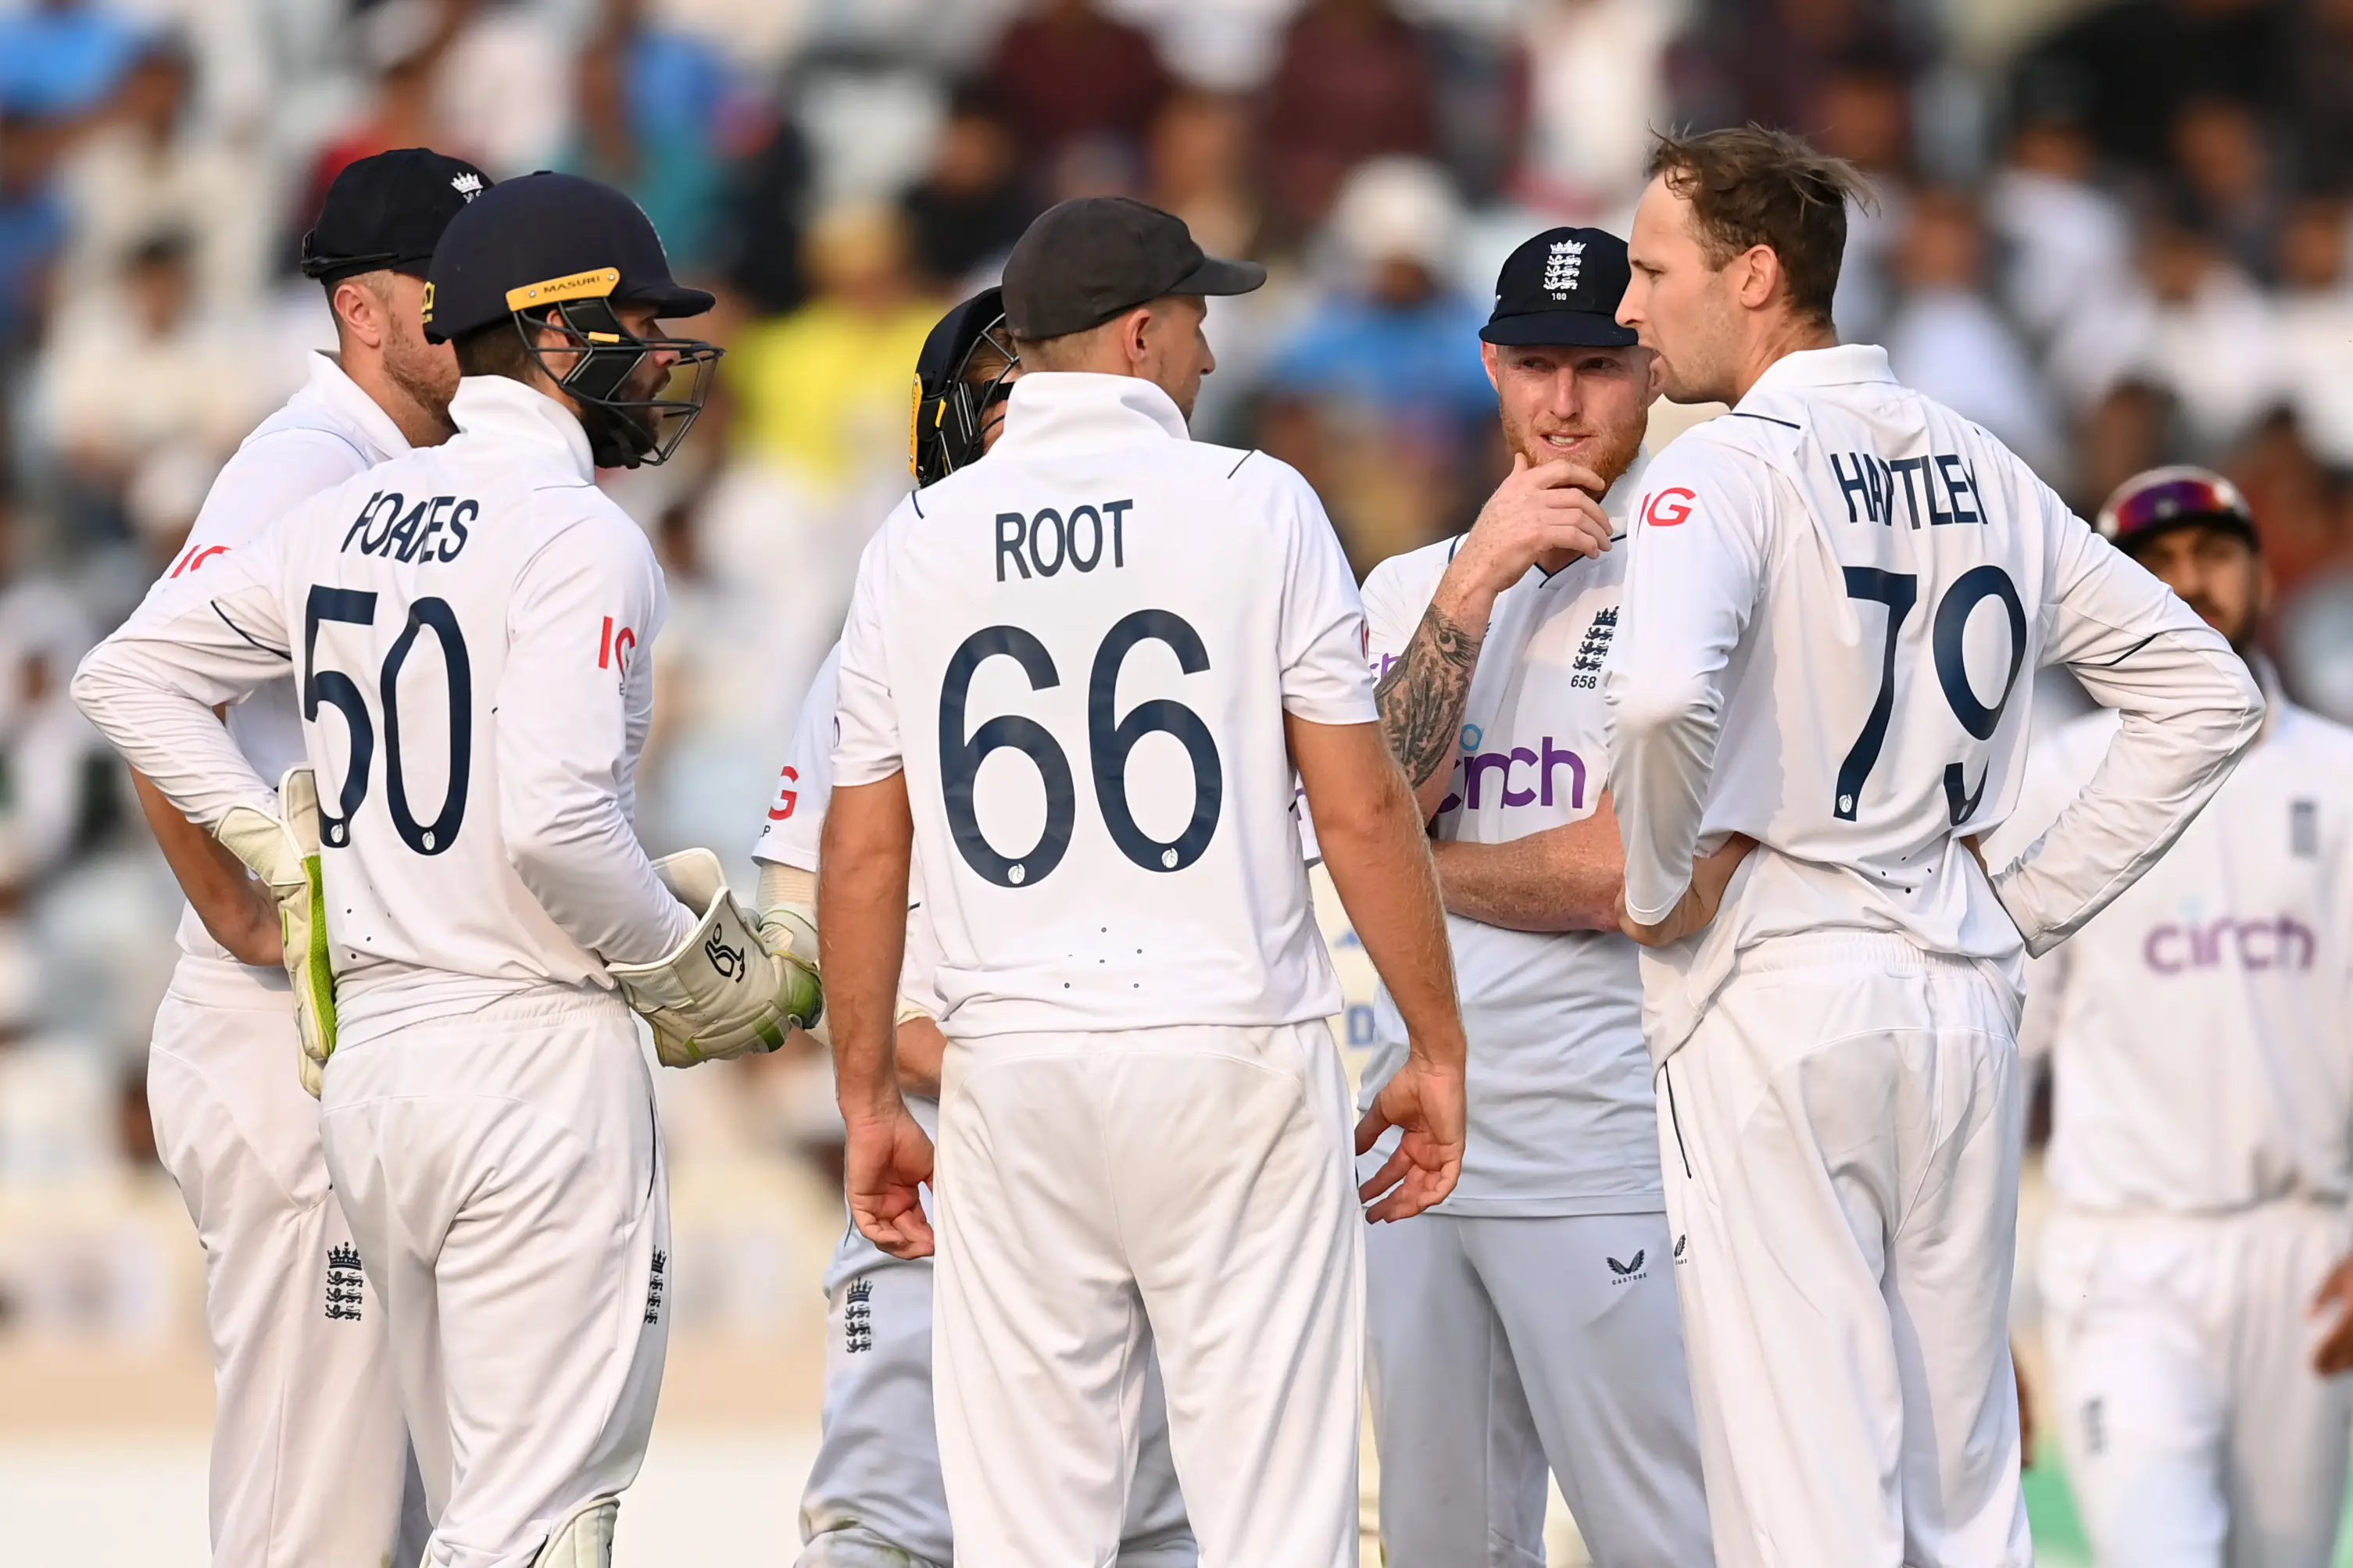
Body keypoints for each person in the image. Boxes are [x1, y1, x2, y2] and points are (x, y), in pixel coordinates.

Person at [72, 171, 817, 1568]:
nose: (662, 358)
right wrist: (683, 966)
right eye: (635, 326)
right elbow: (552, 830)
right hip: (510, 1047)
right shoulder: (549, 523)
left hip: (377, 1056)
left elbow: (131, 672)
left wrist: (275, 861)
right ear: (544, 334)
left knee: (420, 1518)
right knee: (505, 1520)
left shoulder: (363, 505)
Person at [1604, 126, 2265, 1568]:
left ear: (1755, 274)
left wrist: (1651, 886)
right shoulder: (1980, 458)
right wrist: (2021, 905)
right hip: (1956, 979)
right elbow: (2206, 692)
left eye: (1652, 272)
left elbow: (1656, 694)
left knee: (1806, 1494)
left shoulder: (1718, 471)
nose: (1628, 308)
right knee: (1964, 1499)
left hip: (1777, 981)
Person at [817, 195, 1468, 1568]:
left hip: (1012, 1063)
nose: (1209, 357)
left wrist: (868, 1089)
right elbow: (1356, 808)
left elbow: (867, 846)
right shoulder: (1257, 501)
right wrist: (1436, 1041)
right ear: (1136, 332)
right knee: (1272, 1521)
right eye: (1195, 321)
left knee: (1030, 1531)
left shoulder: (918, 540)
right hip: (1228, 1043)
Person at [763, 290, 1196, 1568]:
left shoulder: (1205, 601)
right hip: (953, 1152)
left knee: (1154, 1530)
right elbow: (811, 925)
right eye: (1003, 397)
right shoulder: (881, 631)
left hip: (1118, 1143)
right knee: (889, 1530)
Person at [124, 146, 485, 1568]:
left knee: (378, 1512)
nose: (471, 314)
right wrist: (250, 924)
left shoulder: (403, 466)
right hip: (283, 1043)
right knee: (315, 1519)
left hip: (362, 1038)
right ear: (362, 311)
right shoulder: (309, 461)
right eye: (438, 288)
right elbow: (149, 680)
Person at [1357, 225, 1714, 1566]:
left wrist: (1406, 866)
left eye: (1597, 366)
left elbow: (1627, 877)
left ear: (1652, 371)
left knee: (1664, 1535)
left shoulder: (1698, 572)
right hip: (1415, 1159)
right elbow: (1372, 793)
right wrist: (1470, 582)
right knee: (1440, 1545)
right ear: (1490, 372)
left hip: (1608, 1147)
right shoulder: (1408, 584)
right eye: (1531, 366)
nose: (1562, 404)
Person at [1989, 466, 2353, 1568]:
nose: (2188, 582)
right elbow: (1998, 1051)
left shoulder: (2337, 780)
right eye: (2153, 565)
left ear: (2258, 571)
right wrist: (1972, 1296)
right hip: (2123, 1253)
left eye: (2212, 553)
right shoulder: (2048, 784)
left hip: (2304, 1252)